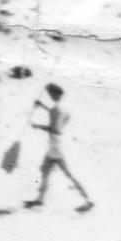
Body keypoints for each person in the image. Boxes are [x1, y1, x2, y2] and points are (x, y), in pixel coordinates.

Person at [26, 83, 92, 212]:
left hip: (54, 149)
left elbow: (55, 129)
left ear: (54, 95)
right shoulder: (60, 109)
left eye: (50, 93)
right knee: (45, 172)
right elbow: (59, 118)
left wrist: (38, 126)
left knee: (62, 174)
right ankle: (40, 199)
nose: (49, 95)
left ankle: (87, 200)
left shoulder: (56, 110)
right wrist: (42, 106)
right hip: (54, 147)